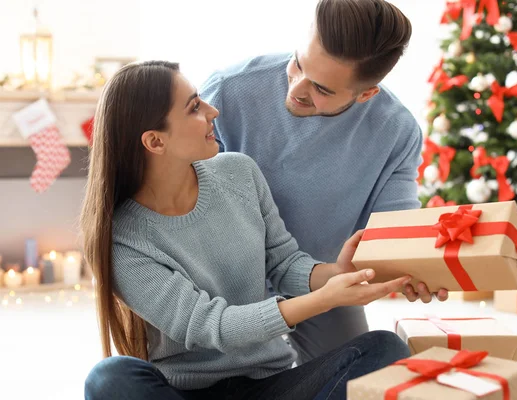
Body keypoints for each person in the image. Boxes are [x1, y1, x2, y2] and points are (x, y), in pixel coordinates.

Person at [81, 60, 412, 400]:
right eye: (194, 107)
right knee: (109, 378)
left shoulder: (238, 173)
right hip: (186, 392)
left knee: (383, 348)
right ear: (155, 141)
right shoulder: (124, 239)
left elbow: (283, 263)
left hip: (270, 386)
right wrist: (322, 301)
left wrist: (335, 273)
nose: (213, 111)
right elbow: (212, 326)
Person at [200, 0, 450, 365]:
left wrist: (416, 270)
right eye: (298, 63)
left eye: (321, 89)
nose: (298, 89)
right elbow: (176, 198)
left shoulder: (396, 130)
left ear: (366, 94)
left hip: (323, 278)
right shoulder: (228, 90)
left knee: (363, 370)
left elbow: (394, 231)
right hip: (224, 278)